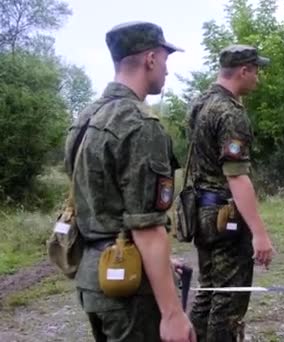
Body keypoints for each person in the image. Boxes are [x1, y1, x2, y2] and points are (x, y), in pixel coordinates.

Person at [64, 21, 195, 342]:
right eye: (165, 59)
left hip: (94, 279)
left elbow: (103, 205)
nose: (166, 69)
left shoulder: (86, 118)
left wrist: (161, 262)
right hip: (129, 290)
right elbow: (147, 227)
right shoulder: (139, 124)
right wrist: (173, 314)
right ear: (151, 59)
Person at [186, 44, 274, 341]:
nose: (258, 78)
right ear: (243, 70)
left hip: (201, 212)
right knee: (229, 300)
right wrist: (259, 234)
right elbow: (236, 177)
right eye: (256, 70)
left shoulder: (200, 103)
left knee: (207, 291)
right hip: (226, 217)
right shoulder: (230, 112)